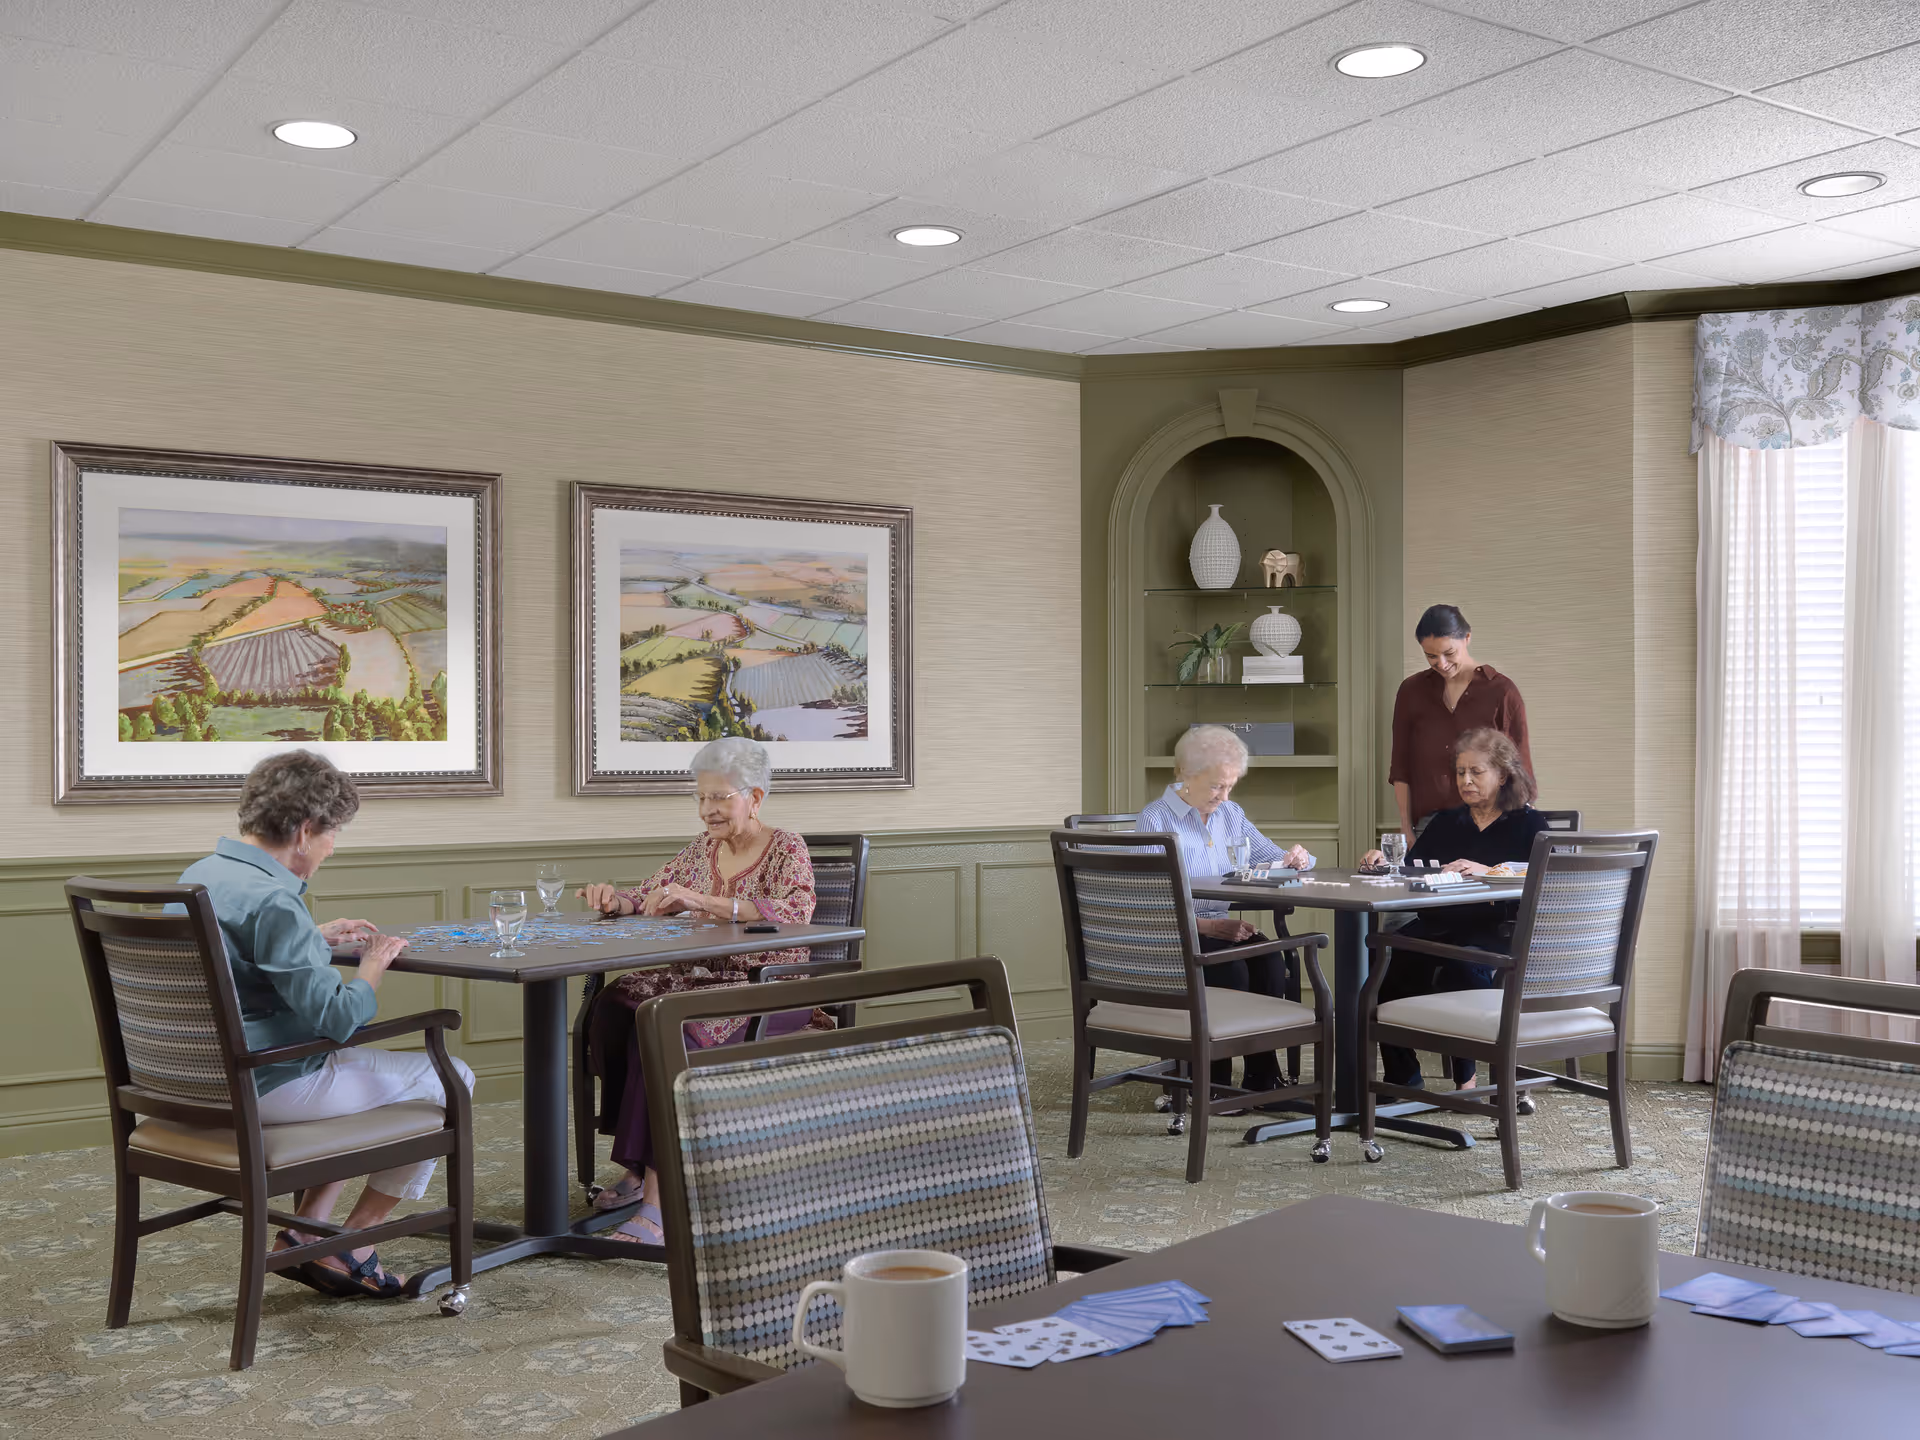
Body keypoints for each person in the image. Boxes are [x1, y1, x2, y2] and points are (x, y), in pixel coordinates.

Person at [179, 750, 474, 1299]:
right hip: (263, 1084)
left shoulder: (203, 875)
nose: (332, 846)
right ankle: (353, 1240)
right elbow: (338, 1019)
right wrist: (370, 971)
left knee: (357, 1072)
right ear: (305, 830)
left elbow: (231, 963)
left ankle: (302, 1231)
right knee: (450, 1073)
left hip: (191, 1077)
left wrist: (311, 938)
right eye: (332, 833)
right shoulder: (274, 901)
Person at [577, 736, 818, 1245]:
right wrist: (614, 900)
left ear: (754, 797)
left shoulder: (786, 847)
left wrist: (705, 900)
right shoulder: (699, 851)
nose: (708, 810)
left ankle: (658, 1209)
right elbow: (647, 896)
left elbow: (796, 911)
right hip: (699, 978)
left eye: (720, 797)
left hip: (767, 987)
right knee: (616, 1004)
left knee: (661, 1024)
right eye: (702, 798)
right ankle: (637, 1161)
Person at [1136, 724, 1317, 1104]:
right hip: (1172, 936)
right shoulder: (1156, 820)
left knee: (1268, 957)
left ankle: (1261, 1080)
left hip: (1217, 929)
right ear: (1185, 773)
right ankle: (1214, 1083)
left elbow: (1272, 858)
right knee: (1230, 967)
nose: (1225, 794)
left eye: (1231, 785)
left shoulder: (1230, 814)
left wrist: (1295, 859)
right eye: (1217, 785)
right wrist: (1208, 925)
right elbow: (1149, 904)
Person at [1360, 727, 1548, 1091]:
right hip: (1436, 926)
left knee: (1462, 967)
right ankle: (1403, 1078)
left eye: (1476, 772)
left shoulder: (1529, 823)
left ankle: (1468, 1075)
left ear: (1503, 775)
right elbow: (1412, 872)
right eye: (1461, 772)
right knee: (1383, 959)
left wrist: (1490, 872)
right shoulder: (1445, 821)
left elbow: (1545, 879)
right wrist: (1383, 863)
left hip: (1495, 932)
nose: (1466, 780)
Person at [1388, 604, 1533, 845]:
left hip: (1491, 826)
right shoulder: (1411, 692)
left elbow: (1520, 769)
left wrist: (1520, 832)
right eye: (1431, 656)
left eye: (1449, 653)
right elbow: (1401, 767)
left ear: (1467, 638)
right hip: (1429, 827)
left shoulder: (1501, 692)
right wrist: (1405, 827)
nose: (1441, 664)